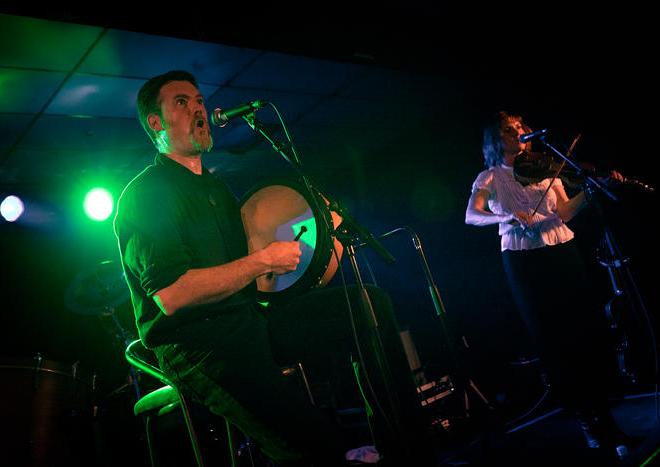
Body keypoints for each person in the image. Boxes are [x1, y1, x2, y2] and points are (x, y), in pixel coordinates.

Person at [113, 70, 430, 466]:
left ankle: (407, 449)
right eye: (182, 102)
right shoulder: (147, 194)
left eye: (198, 99)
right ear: (155, 124)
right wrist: (263, 259)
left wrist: (319, 243)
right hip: (199, 346)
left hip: (249, 320)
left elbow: (263, 280)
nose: (198, 107)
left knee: (368, 304)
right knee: (312, 442)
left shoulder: (215, 190)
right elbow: (173, 295)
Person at [464, 110, 630, 457]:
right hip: (525, 260)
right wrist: (505, 215)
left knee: (584, 331)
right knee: (554, 339)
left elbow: (564, 212)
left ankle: (605, 418)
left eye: (520, 126)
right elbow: (471, 215)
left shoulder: (545, 168)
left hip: (562, 251)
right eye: (510, 129)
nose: (520, 131)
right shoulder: (490, 176)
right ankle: (587, 421)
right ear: (496, 139)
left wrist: (592, 190)